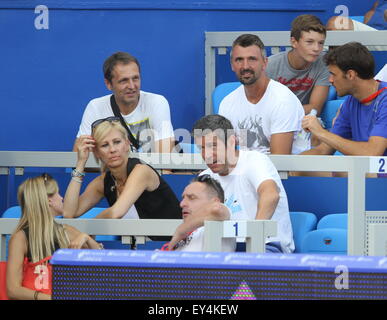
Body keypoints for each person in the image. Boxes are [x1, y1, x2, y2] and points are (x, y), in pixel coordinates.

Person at [191, 114, 294, 253]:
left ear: (232, 142)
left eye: (212, 146)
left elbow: (271, 195)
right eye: (201, 148)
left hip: (267, 245)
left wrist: (254, 237)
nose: (206, 154)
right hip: (222, 247)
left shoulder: (255, 160)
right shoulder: (204, 177)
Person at [64, 117, 182, 227]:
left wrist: (88, 230)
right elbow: (69, 213)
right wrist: (80, 163)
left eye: (117, 142)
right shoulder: (103, 182)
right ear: (96, 152)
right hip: (139, 249)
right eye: (105, 145)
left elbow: (116, 212)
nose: (113, 149)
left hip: (175, 246)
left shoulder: (141, 171)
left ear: (127, 143)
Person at [6, 174, 102, 300]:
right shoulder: (20, 238)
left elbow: (102, 262)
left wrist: (86, 238)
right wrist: (51, 298)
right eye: (58, 193)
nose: (61, 198)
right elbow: (13, 290)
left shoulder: (67, 231)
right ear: (49, 200)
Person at [218, 34, 306, 155]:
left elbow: (279, 161)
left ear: (264, 63)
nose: (245, 66)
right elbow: (225, 155)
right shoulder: (227, 103)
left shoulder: (283, 100)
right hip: (246, 170)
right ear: (232, 65)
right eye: (239, 60)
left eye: (252, 59)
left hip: (284, 172)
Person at [73, 52, 175, 153]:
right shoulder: (95, 107)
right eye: (124, 80)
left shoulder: (157, 102)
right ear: (108, 84)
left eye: (135, 78)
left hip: (149, 169)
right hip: (112, 169)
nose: (131, 86)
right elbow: (78, 157)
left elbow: (165, 160)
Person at [300, 42, 387, 157]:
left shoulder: (384, 100)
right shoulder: (351, 102)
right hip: (366, 172)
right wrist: (293, 165)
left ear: (350, 75)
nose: (330, 80)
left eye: (333, 74)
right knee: (302, 169)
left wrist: (321, 132)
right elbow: (324, 150)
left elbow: (372, 153)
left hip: (377, 172)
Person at [266, 14, 330, 116]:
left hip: (303, 120)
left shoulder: (323, 63)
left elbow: (315, 108)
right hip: (273, 120)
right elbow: (260, 106)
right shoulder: (269, 65)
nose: (316, 48)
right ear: (294, 42)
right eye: (310, 42)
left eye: (321, 43)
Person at [166, 175, 235, 252]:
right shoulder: (189, 230)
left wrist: (180, 230)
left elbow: (217, 209)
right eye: (183, 198)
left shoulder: (220, 223)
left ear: (214, 201)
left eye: (191, 198)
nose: (182, 204)